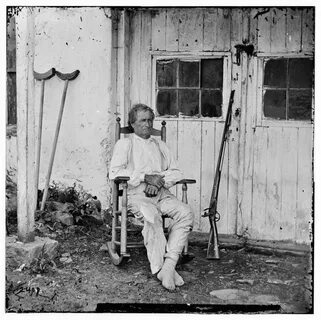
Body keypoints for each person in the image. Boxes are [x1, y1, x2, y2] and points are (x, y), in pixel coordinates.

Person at [109, 103, 194, 291]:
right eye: (142, 120)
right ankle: (159, 269)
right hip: (137, 196)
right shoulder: (125, 144)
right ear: (132, 124)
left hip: (162, 194)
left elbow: (176, 172)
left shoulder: (160, 145)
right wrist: (146, 178)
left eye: (150, 120)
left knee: (185, 212)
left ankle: (169, 265)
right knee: (152, 217)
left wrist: (159, 182)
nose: (147, 124)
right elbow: (114, 173)